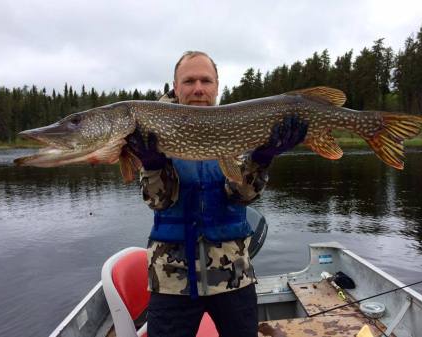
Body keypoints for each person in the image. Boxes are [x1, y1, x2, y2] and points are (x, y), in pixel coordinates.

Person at [125, 51, 308, 337]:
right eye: (189, 80)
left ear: (217, 86)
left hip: (234, 275)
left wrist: (263, 157)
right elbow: (158, 201)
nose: (198, 88)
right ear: (175, 86)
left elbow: (242, 195)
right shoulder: (150, 128)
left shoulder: (233, 125)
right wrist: (153, 163)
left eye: (205, 80)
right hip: (172, 279)